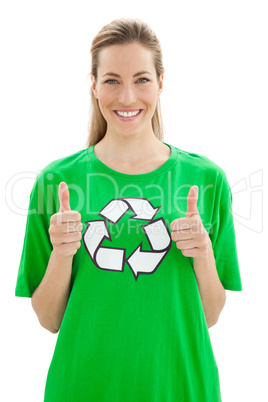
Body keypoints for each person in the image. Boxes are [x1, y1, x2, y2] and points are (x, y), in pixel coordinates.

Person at [15, 17, 242, 402]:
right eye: (112, 81)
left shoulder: (206, 180)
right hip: (84, 386)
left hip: (179, 385)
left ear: (160, 83)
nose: (127, 98)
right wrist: (62, 253)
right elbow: (49, 320)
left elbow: (210, 315)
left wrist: (203, 254)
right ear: (93, 84)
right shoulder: (56, 183)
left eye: (141, 79)